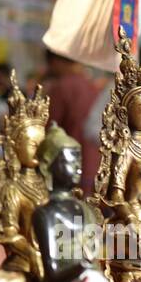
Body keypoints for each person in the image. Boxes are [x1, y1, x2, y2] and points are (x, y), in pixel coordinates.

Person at [37, 49, 101, 191]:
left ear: (55, 62)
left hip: (68, 167)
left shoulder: (61, 87)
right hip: (95, 166)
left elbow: (49, 129)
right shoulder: (93, 87)